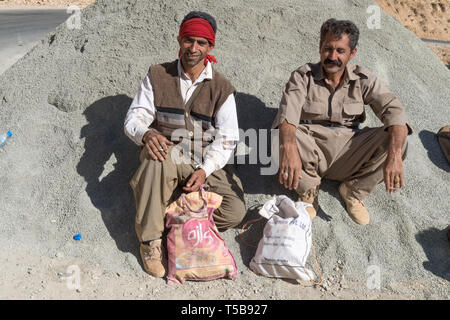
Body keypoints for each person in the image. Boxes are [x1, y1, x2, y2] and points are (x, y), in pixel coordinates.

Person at [124, 11, 246, 277]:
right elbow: (135, 117)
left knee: (234, 211)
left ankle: (169, 211)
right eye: (188, 40)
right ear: (179, 40)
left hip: (203, 162)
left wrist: (204, 170)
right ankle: (150, 241)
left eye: (201, 42)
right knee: (157, 157)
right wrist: (146, 134)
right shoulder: (157, 75)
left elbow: (227, 138)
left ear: (210, 46)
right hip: (167, 156)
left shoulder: (222, 87)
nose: (194, 48)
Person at [272, 18, 412, 225]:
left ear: (352, 53)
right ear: (320, 48)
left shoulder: (364, 79)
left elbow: (394, 112)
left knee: (398, 139)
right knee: (279, 137)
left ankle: (352, 191)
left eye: (340, 51)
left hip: (349, 149)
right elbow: (287, 114)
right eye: (328, 49)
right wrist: (289, 146)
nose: (333, 56)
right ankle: (308, 191)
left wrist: (395, 157)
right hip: (311, 148)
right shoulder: (303, 76)